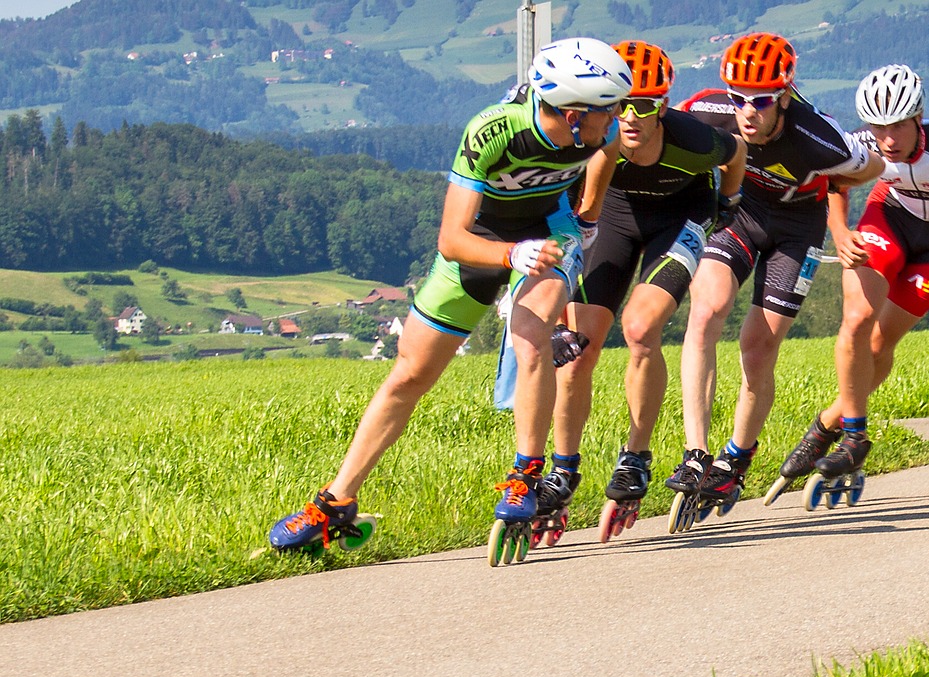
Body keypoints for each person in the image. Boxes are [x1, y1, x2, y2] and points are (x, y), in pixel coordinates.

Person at [265, 38, 629, 554]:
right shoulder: (494, 131)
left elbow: (608, 150)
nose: (617, 117)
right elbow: (451, 240)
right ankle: (335, 503)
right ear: (572, 115)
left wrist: (588, 215)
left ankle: (525, 474)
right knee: (409, 374)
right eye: (606, 108)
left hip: (550, 231)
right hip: (481, 241)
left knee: (530, 338)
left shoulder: (601, 129)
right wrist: (508, 256)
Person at [768, 63, 929, 505]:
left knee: (879, 348)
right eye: (877, 127)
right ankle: (855, 436)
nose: (887, 139)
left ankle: (826, 425)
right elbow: (836, 179)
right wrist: (840, 230)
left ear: (918, 117)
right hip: (887, 221)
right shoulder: (866, 145)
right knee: (857, 320)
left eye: (897, 127)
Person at [668, 33, 884, 519]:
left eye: (761, 101)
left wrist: (833, 180)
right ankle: (696, 454)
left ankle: (736, 460)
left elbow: (872, 164)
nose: (747, 111)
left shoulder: (816, 136)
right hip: (741, 215)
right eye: (739, 99)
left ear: (784, 97)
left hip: (797, 229)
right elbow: (664, 132)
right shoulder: (708, 110)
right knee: (705, 312)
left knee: (758, 346)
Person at [545, 40, 747, 541]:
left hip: (678, 220)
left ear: (663, 106)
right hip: (614, 218)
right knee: (576, 350)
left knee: (639, 329)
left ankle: (635, 457)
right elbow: (575, 203)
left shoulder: (693, 140)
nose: (630, 116)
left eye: (645, 106)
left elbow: (737, 153)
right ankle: (563, 469)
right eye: (621, 104)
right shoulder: (591, 137)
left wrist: (730, 201)